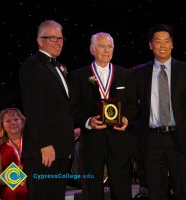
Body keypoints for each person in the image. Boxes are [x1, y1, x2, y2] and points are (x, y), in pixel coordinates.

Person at [131, 24, 186, 200]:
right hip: (152, 139)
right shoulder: (139, 73)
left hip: (180, 137)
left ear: (172, 44)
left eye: (166, 41)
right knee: (156, 190)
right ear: (150, 45)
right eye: (158, 41)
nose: (162, 45)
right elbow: (133, 106)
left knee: (183, 189)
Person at [70, 32, 138, 200]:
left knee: (122, 190)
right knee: (92, 191)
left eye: (110, 47)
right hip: (92, 141)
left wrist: (126, 119)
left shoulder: (125, 74)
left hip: (119, 141)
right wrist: (87, 121)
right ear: (92, 49)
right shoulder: (78, 75)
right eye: (102, 46)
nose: (107, 50)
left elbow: (133, 105)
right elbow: (73, 107)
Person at [19, 20, 74, 200]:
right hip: (43, 150)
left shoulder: (58, 66)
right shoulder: (33, 65)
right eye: (53, 38)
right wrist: (44, 143)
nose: (59, 42)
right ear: (39, 41)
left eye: (60, 38)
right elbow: (34, 108)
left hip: (60, 148)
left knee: (56, 195)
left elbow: (61, 107)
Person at [0, 108, 28, 200]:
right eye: (8, 121)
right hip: (12, 186)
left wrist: (30, 180)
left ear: (22, 122)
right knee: (13, 191)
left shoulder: (33, 142)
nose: (13, 123)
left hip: (35, 182)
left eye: (16, 119)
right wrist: (17, 179)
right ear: (2, 125)